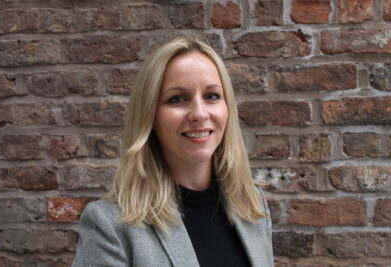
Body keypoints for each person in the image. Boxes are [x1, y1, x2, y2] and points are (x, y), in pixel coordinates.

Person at [72, 35, 274, 267]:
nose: (199, 113)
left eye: (211, 96)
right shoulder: (111, 225)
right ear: (150, 117)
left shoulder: (253, 207)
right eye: (177, 99)